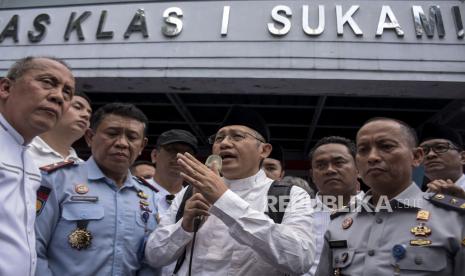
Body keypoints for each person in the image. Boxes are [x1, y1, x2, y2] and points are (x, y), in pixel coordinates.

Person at [145, 105, 315, 275]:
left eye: (237, 136)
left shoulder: (289, 195)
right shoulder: (190, 191)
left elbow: (300, 259)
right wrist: (185, 226)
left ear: (264, 150)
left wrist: (223, 199)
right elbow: (154, 256)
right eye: (218, 138)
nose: (224, 143)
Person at [316, 117, 465, 276]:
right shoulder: (339, 223)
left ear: (416, 157)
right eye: (363, 150)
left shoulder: (455, 218)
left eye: (386, 146)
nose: (372, 157)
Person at [35, 103, 159, 276]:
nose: (122, 143)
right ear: (90, 137)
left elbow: (150, 261)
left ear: (142, 147)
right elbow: (34, 248)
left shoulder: (150, 197)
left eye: (132, 137)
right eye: (112, 134)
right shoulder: (56, 181)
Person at [0, 56, 75, 276]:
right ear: (5, 88)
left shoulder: (31, 164)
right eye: (48, 82)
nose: (58, 97)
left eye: (67, 93)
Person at [305, 136, 363, 276]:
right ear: (312, 175)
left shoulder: (381, 211)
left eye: (339, 163)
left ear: (358, 169)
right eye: (321, 165)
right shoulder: (297, 213)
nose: (330, 170)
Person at [29, 91, 92, 167]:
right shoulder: (23, 150)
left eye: (89, 114)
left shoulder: (82, 167)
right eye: (77, 107)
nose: (86, 115)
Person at [149, 129, 198, 214]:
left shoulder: (195, 198)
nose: (179, 157)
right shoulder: (134, 191)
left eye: (187, 153)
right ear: (154, 155)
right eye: (172, 150)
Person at [419, 123, 465, 198]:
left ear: (463, 157)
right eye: (424, 151)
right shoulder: (419, 200)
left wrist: (461, 202)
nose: (430, 155)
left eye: (440, 147)